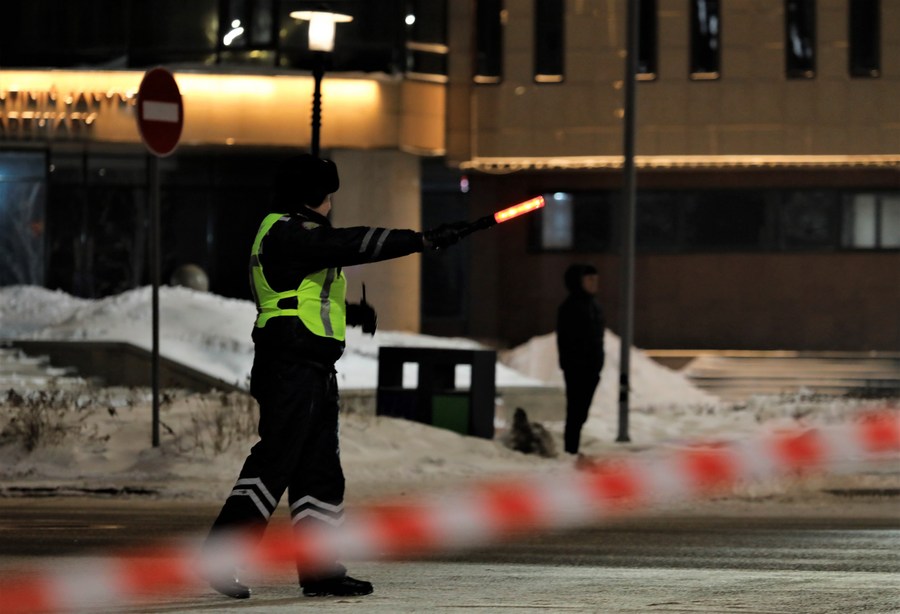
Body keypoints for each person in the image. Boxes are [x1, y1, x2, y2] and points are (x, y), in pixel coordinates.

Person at [203, 154, 469, 600]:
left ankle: (322, 570)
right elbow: (351, 243)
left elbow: (299, 293)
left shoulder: (292, 234)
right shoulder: (289, 231)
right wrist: (422, 240)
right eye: (327, 196)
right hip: (291, 367)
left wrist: (349, 312)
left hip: (310, 367)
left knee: (319, 474)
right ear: (311, 196)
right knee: (275, 465)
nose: (330, 205)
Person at [556, 263, 606, 457]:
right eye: (590, 279)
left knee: (581, 411)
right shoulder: (570, 307)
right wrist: (570, 363)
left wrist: (598, 362)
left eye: (596, 279)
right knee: (575, 410)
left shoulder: (595, 306)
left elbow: (598, 338)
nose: (594, 284)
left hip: (592, 367)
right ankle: (570, 449)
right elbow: (565, 340)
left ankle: (572, 448)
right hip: (576, 368)